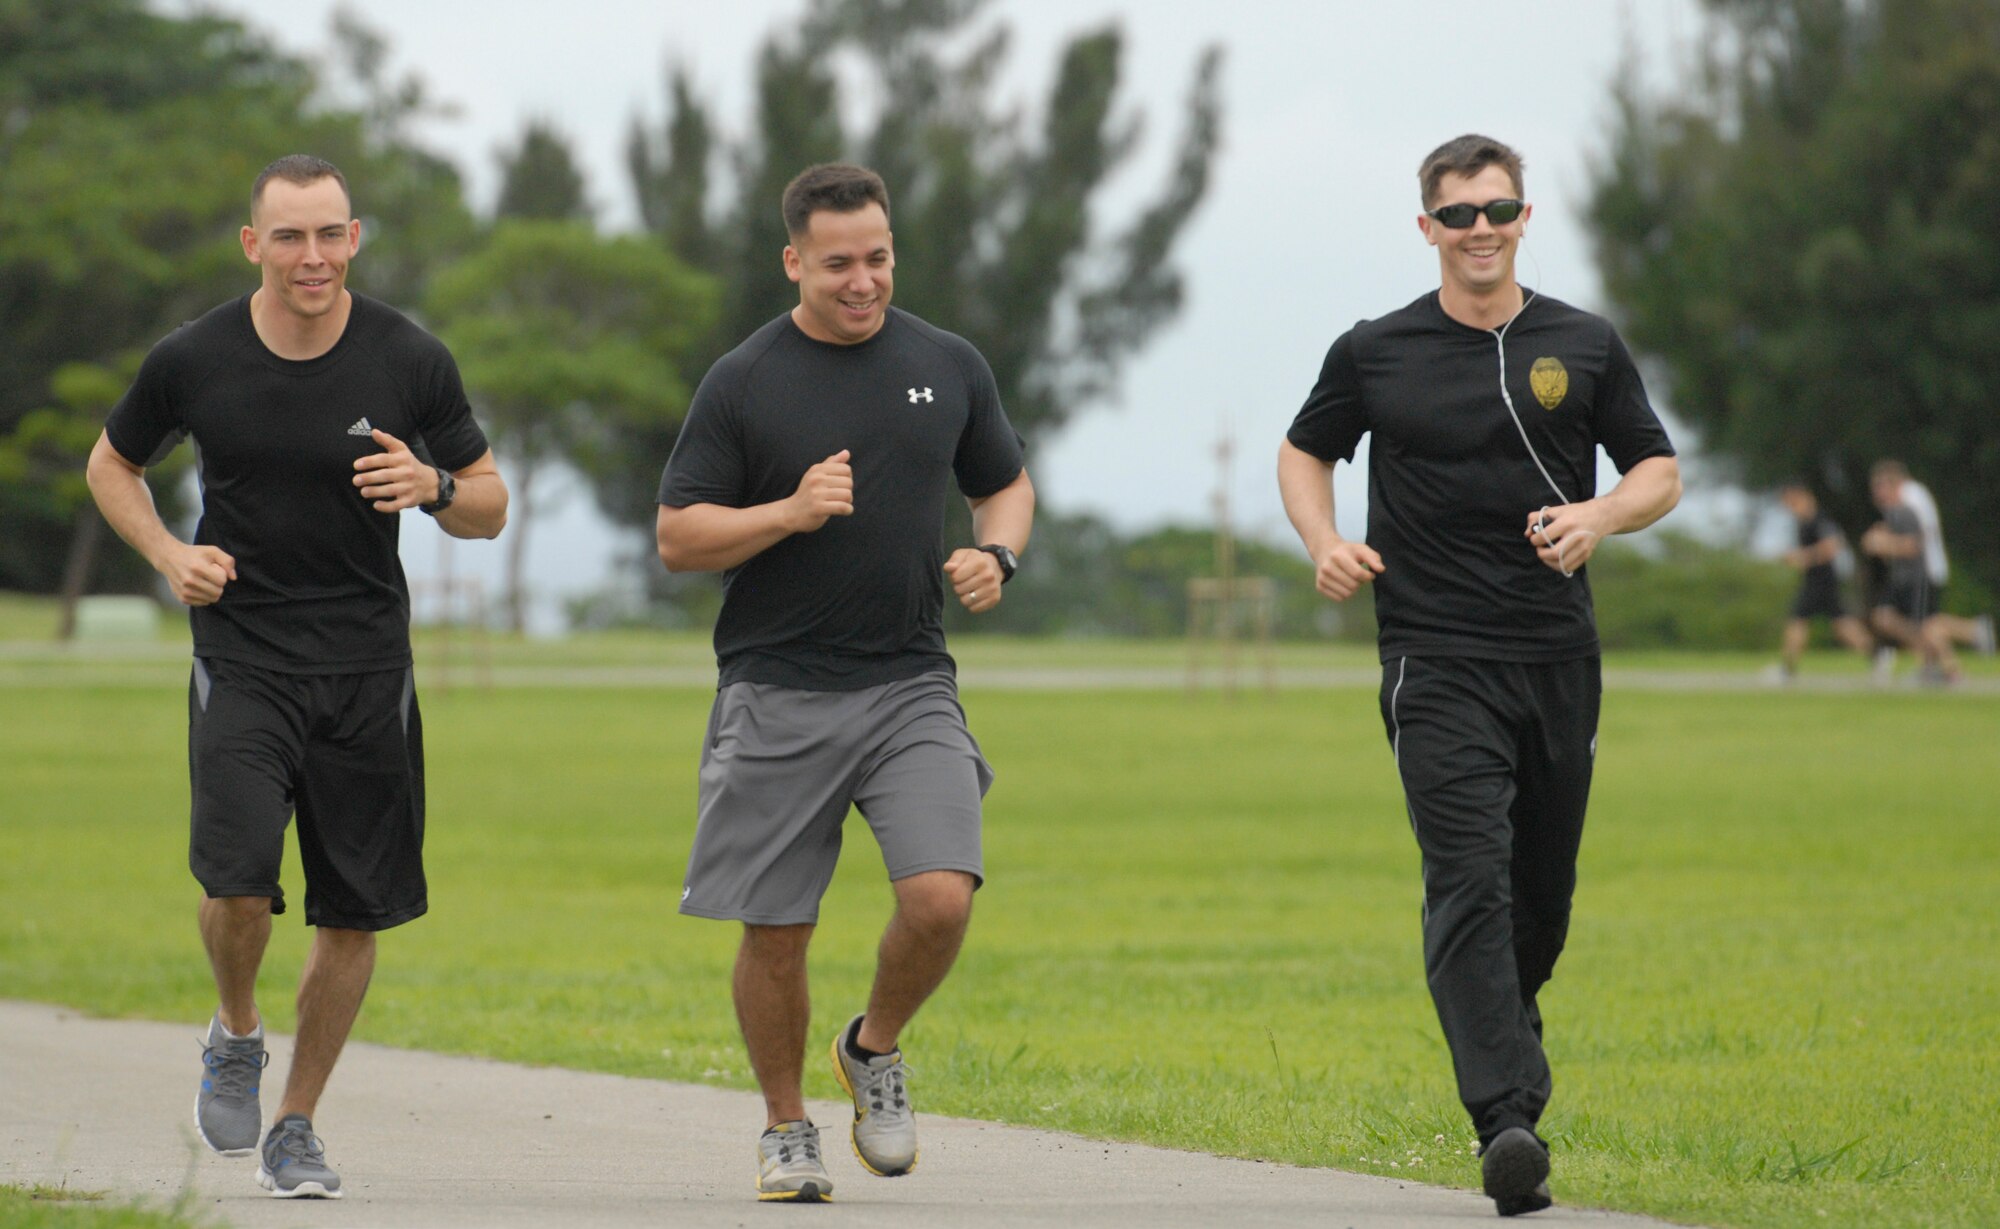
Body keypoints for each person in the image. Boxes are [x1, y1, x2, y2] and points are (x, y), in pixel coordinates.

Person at [85, 155, 507, 1199]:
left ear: (354, 237)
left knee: (351, 913)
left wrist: (434, 483)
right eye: (288, 237)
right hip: (244, 654)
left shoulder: (410, 357)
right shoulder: (194, 358)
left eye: (328, 235)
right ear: (252, 245)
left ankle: (297, 1123)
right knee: (236, 885)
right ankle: (236, 1029)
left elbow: (490, 501)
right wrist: (169, 556)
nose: (310, 257)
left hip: (368, 667)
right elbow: (111, 464)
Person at [1276, 134, 1680, 1217]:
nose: (1480, 230)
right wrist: (1321, 538)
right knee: (1468, 877)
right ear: (1426, 230)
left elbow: (1657, 468)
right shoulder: (1373, 350)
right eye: (1457, 215)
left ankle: (1507, 1040)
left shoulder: (1581, 344)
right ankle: (1505, 1121)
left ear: (1522, 216)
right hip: (1432, 656)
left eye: (1497, 209)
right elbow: (1303, 450)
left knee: (1537, 903)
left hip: (1555, 656)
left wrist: (1598, 513)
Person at [655, 163, 1034, 1203]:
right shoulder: (743, 379)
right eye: (837, 263)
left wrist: (995, 556)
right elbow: (679, 536)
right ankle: (786, 1127)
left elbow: (1000, 481)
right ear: (792, 262)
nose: (861, 280)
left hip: (910, 680)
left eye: (876, 257)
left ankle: (872, 1045)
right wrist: (786, 511)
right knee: (777, 928)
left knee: (941, 897)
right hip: (775, 685)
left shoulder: (946, 362)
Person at [1861, 461, 1961, 684]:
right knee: (1887, 617)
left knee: (1926, 624)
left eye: (1881, 486)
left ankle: (1951, 670)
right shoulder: (1894, 510)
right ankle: (1930, 665)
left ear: (1896, 485)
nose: (1877, 493)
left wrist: (1883, 543)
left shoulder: (1908, 507)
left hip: (1921, 574)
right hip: (1904, 576)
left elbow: (1915, 545)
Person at [1886, 461, 1996, 661]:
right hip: (1922, 568)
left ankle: (1970, 634)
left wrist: (1888, 543)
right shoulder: (1914, 495)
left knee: (1926, 624)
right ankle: (1964, 639)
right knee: (1920, 622)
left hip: (1925, 568)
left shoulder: (1910, 498)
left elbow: (1918, 538)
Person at [1773, 482, 1872, 680]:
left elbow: (1833, 546)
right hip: (1818, 579)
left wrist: (1803, 558)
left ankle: (1787, 668)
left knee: (1797, 619)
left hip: (1821, 579)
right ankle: (1877, 655)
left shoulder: (1818, 519)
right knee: (1842, 624)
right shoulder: (1804, 522)